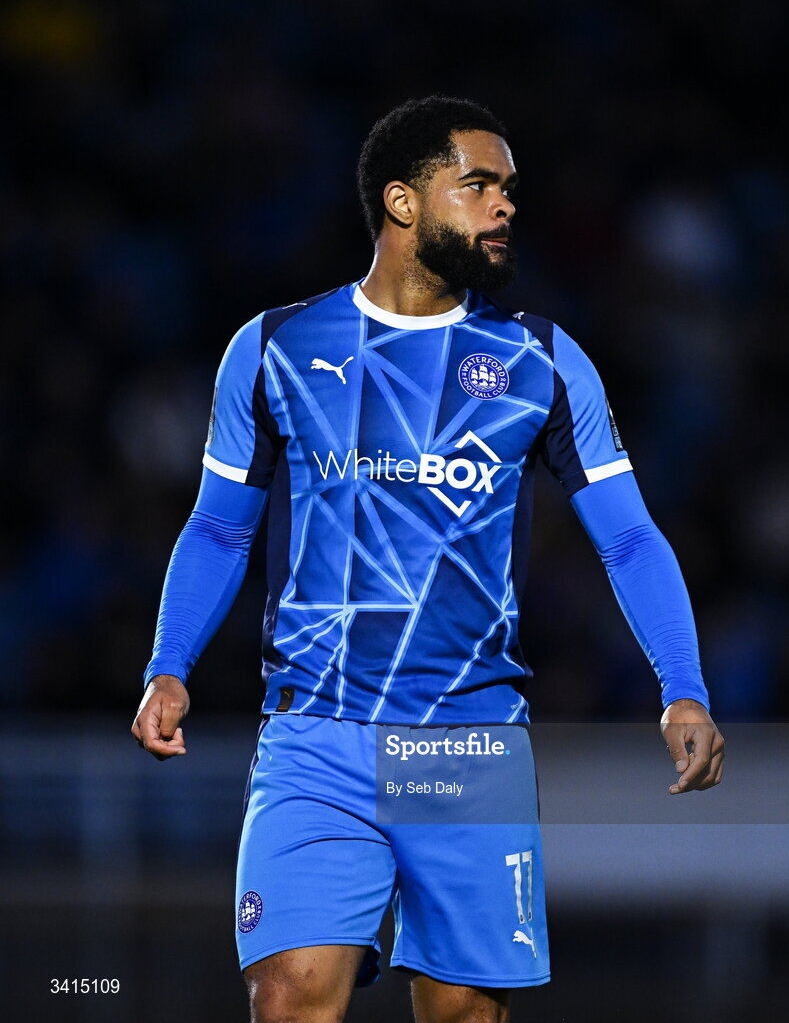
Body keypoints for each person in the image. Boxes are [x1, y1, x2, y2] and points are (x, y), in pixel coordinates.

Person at [132, 95, 725, 1023]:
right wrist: (168, 665)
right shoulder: (275, 347)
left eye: (510, 189)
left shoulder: (542, 360)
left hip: (463, 745)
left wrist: (680, 685)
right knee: (288, 996)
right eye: (479, 184)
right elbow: (217, 528)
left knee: (461, 1012)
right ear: (404, 203)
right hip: (312, 736)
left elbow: (628, 536)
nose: (505, 207)